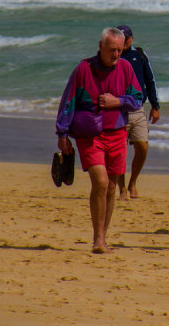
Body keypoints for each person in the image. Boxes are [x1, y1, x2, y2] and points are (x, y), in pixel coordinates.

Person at [55, 27, 143, 254]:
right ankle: (97, 239)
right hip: (90, 135)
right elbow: (68, 101)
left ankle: (102, 238)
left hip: (117, 133)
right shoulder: (83, 69)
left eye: (120, 50)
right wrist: (62, 134)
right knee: (101, 182)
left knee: (112, 187)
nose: (116, 54)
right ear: (100, 46)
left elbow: (137, 100)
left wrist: (118, 102)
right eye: (112, 49)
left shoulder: (125, 67)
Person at [115, 24, 161, 200]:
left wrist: (155, 106)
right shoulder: (114, 56)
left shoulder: (139, 55)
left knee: (142, 146)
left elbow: (150, 81)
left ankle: (132, 181)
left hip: (137, 109)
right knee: (119, 151)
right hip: (118, 110)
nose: (123, 42)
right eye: (120, 39)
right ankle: (121, 188)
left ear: (131, 39)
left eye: (125, 39)